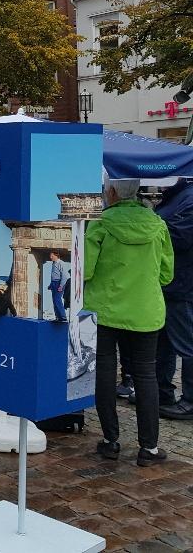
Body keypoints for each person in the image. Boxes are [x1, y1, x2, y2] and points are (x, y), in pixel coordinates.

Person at [85, 179, 174, 466]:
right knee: (146, 375)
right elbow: (166, 274)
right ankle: (149, 448)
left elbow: (86, 270)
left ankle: (110, 441)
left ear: (111, 192)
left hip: (105, 310)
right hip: (145, 311)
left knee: (104, 372)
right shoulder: (158, 224)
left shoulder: (100, 223)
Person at [155, 179, 193, 420]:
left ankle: (190, 401)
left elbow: (180, 237)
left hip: (183, 285)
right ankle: (161, 392)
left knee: (187, 344)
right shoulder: (176, 196)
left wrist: (152, 226)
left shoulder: (188, 198)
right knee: (164, 342)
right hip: (170, 284)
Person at [48, 249, 68, 322]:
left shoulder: (61, 263)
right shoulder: (53, 263)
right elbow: (54, 275)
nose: (50, 257)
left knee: (57, 299)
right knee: (54, 301)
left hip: (59, 283)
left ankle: (63, 316)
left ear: (56, 255)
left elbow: (64, 275)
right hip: (54, 283)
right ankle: (58, 317)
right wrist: (51, 284)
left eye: (52, 256)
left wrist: (61, 285)